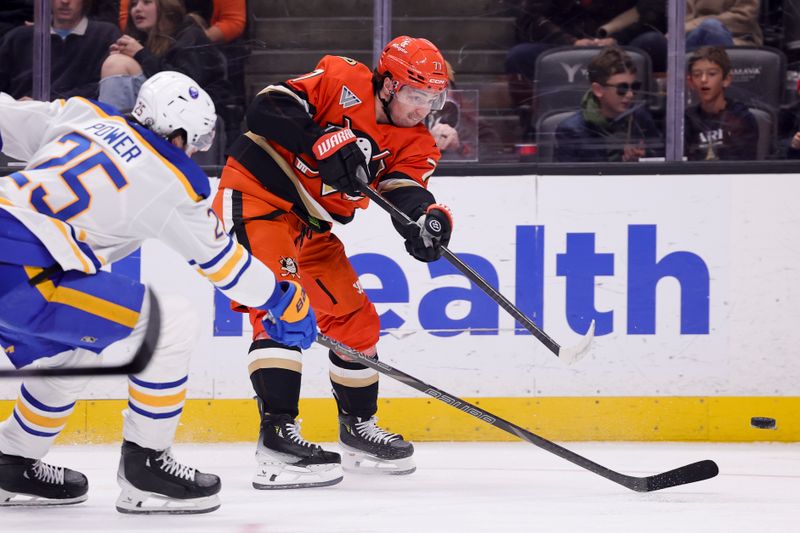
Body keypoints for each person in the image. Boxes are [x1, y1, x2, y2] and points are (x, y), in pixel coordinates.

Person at [0, 71, 316, 512]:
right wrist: (283, 298)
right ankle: (146, 465)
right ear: (181, 133)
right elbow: (225, 264)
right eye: (197, 141)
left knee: (77, 346)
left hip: (21, 258)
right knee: (170, 322)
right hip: (22, 269)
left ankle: (12, 460)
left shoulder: (83, 116)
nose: (194, 151)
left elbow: (7, 116)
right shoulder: (171, 178)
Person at [211, 36, 454, 489]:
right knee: (282, 306)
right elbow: (267, 107)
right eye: (414, 95)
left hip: (311, 228)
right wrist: (320, 139)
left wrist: (425, 219)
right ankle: (277, 439)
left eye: (432, 98)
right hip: (256, 199)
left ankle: (358, 429)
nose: (423, 108)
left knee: (355, 321)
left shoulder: (417, 142)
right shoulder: (343, 78)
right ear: (387, 87)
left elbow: (404, 188)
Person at [505, 0, 638, 138]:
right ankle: (532, 125)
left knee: (652, 43)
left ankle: (637, 122)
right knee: (519, 56)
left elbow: (647, 12)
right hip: (559, 42)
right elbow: (530, 16)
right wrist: (569, 41)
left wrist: (615, 39)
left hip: (617, 42)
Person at [98, 0, 230, 114]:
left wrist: (140, 55)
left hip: (192, 115)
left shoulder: (191, 35)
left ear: (166, 6)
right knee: (116, 63)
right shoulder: (143, 40)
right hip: (159, 112)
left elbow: (184, 87)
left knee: (117, 64)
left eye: (147, 2)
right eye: (133, 4)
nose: (137, 9)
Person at [555, 46, 662, 162]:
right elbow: (567, 179)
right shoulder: (571, 131)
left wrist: (645, 157)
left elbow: (663, 157)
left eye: (635, 87)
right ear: (598, 90)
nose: (630, 95)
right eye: (622, 88)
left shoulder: (641, 119)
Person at [0, 0, 121, 100]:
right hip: (19, 118)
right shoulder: (18, 38)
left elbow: (102, 87)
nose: (65, 2)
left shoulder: (105, 35)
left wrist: (47, 102)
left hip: (78, 119)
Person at [684, 45, 758, 160]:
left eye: (712, 74)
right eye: (697, 75)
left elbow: (743, 165)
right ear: (691, 82)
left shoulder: (740, 118)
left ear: (726, 80)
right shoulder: (686, 120)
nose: (703, 80)